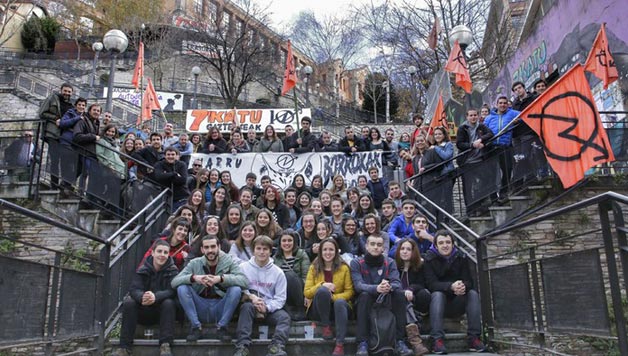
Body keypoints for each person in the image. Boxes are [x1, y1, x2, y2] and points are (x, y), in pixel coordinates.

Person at [172, 235, 248, 342]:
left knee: (236, 289)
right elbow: (174, 282)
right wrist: (194, 278)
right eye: (206, 247)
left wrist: (221, 279)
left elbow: (244, 281)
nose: (210, 250)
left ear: (219, 247)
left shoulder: (229, 261)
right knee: (182, 288)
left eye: (213, 247)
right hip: (200, 305)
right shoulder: (194, 263)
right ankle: (195, 327)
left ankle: (222, 328)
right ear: (202, 249)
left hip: (221, 306)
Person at [350, 234, 414, 356]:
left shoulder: (390, 262)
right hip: (365, 299)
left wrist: (388, 286)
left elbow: (397, 282)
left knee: (399, 295)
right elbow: (358, 285)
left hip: (386, 297)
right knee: (364, 295)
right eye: (372, 244)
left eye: (379, 245)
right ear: (366, 247)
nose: (375, 247)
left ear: (383, 248)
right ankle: (362, 343)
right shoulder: (357, 262)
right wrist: (377, 288)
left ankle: (400, 341)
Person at [424, 231, 486, 354]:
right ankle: (437, 339)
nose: (445, 245)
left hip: (457, 302)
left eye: (448, 242)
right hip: (438, 304)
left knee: (472, 293)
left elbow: (469, 281)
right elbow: (431, 284)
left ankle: (474, 338)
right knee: (437, 294)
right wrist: (450, 286)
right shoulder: (429, 259)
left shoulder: (461, 257)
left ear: (453, 244)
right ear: (435, 246)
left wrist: (462, 286)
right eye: (441, 243)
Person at [115, 240, 178, 356]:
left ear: (168, 254)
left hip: (162, 313)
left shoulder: (173, 270)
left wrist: (156, 297)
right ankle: (124, 347)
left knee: (169, 303)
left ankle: (165, 345)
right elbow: (134, 289)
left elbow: (172, 290)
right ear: (152, 253)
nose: (162, 255)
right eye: (159, 251)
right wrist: (142, 297)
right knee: (129, 303)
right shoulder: (143, 269)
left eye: (165, 252)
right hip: (143, 310)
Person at [234, 235, 290, 356]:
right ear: (253, 250)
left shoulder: (278, 272)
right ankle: (243, 346)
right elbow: (239, 288)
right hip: (250, 305)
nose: (261, 252)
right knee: (246, 308)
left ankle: (276, 346)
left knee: (284, 317)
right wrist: (251, 298)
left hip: (269, 309)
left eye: (265, 249)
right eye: (258, 248)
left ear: (270, 251)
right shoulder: (242, 268)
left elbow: (280, 298)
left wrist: (267, 307)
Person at [304, 238, 354, 356]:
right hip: (319, 310)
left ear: (336, 251)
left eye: (331, 249)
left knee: (340, 302)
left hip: (339, 309)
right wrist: (322, 285)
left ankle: (340, 344)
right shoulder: (314, 267)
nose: (328, 252)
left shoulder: (344, 268)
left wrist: (332, 298)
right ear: (320, 252)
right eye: (325, 249)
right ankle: (326, 327)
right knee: (322, 291)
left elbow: (350, 292)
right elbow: (307, 292)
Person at [456, 109, 496, 216]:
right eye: (471, 115)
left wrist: (481, 140)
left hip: (480, 160)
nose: (473, 117)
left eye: (475, 115)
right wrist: (472, 145)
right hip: (467, 162)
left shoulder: (481, 126)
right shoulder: (462, 128)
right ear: (467, 117)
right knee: (468, 187)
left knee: (486, 181)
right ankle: (470, 209)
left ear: (478, 116)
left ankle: (481, 204)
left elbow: (490, 134)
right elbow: (459, 144)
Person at [394, 239, 430, 356]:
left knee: (423, 293)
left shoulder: (420, 266)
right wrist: (403, 292)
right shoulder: (393, 266)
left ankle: (414, 339)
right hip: (400, 302)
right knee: (402, 299)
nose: (404, 252)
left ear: (413, 252)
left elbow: (422, 283)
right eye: (402, 249)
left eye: (408, 249)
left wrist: (410, 289)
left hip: (415, 302)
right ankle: (416, 342)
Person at [484, 96, 520, 200]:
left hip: (505, 146)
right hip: (492, 147)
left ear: (507, 104)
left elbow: (525, 115)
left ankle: (504, 191)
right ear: (497, 104)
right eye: (500, 103)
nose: (503, 105)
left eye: (505, 103)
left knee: (507, 169)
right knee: (492, 172)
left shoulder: (512, 113)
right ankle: (493, 195)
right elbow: (483, 130)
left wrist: (518, 121)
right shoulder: (489, 117)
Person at [39, 82, 74, 189]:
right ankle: (54, 184)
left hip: (64, 137)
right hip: (52, 133)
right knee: (54, 159)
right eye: (65, 91)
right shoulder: (52, 98)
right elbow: (42, 113)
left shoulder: (71, 106)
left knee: (65, 161)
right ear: (61, 90)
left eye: (69, 92)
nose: (67, 93)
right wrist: (55, 119)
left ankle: (63, 184)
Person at [273, 229, 310, 320]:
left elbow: (306, 277)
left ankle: (300, 309)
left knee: (289, 275)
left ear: (294, 242)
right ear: (280, 243)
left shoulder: (301, 255)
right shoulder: (275, 258)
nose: (287, 243)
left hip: (299, 290)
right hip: (283, 291)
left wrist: (307, 295)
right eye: (284, 241)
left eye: (290, 240)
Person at [73, 103, 102, 193]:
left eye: (98, 111)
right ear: (89, 111)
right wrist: (93, 137)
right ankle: (81, 192)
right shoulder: (82, 121)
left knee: (81, 172)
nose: (96, 112)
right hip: (84, 151)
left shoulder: (96, 123)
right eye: (94, 110)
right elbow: (77, 136)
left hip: (91, 152)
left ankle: (68, 186)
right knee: (86, 172)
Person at [58, 97, 86, 190]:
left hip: (77, 144)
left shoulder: (85, 117)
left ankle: (66, 183)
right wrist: (77, 118)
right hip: (66, 141)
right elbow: (63, 123)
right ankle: (66, 185)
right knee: (68, 164)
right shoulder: (70, 113)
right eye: (79, 105)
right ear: (76, 105)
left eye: (83, 105)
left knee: (80, 165)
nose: (81, 107)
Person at [153, 147, 190, 212]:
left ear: (176, 156)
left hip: (181, 197)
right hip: (166, 197)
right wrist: (174, 174)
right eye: (168, 154)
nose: (170, 156)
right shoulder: (159, 164)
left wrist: (166, 175)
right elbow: (158, 177)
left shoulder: (182, 164)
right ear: (165, 155)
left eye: (173, 154)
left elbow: (183, 180)